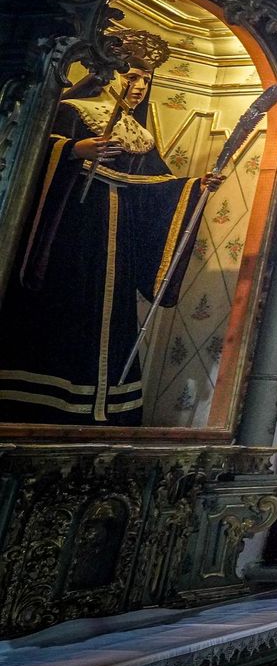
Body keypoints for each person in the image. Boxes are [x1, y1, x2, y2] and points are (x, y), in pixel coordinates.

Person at [0, 30, 218, 424]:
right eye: (130, 77)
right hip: (72, 231)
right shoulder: (73, 110)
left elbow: (157, 188)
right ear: (108, 73)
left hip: (119, 239)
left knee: (110, 311)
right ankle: (43, 398)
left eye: (145, 80)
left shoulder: (140, 134)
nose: (137, 87)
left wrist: (195, 187)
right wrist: (71, 150)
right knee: (68, 307)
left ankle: (103, 406)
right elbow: (25, 155)